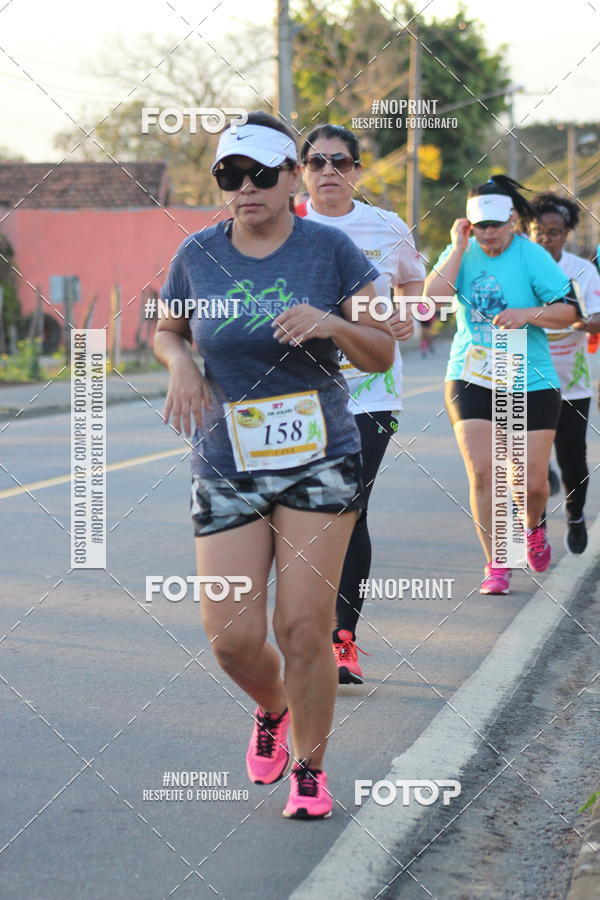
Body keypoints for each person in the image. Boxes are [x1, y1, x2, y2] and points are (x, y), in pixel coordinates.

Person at [154, 112, 394, 819]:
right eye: (230, 175)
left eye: (261, 173)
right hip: (227, 460)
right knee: (231, 639)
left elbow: (380, 349)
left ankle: (311, 770)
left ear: (292, 177)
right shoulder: (198, 254)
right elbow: (168, 330)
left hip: (320, 456)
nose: (246, 187)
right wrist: (180, 365)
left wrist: (333, 324)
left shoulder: (331, 252)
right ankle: (274, 706)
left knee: (301, 627)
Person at [299, 123, 425, 683]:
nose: (329, 171)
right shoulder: (286, 227)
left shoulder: (387, 227)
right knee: (307, 514)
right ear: (300, 172)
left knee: (350, 508)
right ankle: (305, 628)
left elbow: (415, 289)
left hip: (373, 393)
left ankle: (341, 638)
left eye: (340, 162)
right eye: (317, 162)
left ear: (356, 170)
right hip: (301, 395)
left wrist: (407, 315)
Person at [425, 175, 577, 595]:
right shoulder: (461, 251)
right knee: (483, 471)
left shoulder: (531, 256)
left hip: (529, 375)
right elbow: (431, 301)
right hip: (471, 372)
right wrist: (457, 248)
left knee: (530, 483)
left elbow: (568, 312)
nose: (488, 233)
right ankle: (498, 561)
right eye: (480, 226)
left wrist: (527, 314)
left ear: (512, 220)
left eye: (495, 224)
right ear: (469, 223)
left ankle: (532, 526)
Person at [530, 192, 600, 553]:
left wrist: (580, 322)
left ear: (566, 233)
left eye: (554, 232)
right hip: (529, 381)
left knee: (573, 461)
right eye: (538, 232)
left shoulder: (582, 270)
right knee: (530, 464)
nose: (545, 239)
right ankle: (536, 527)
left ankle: (575, 516)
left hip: (572, 385)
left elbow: (598, 318)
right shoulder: (521, 266)